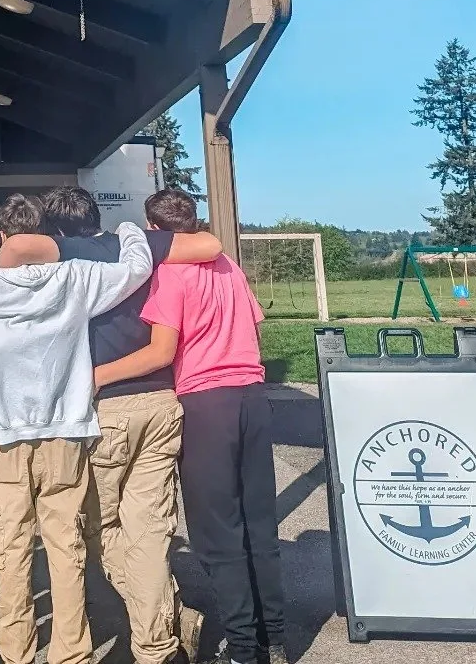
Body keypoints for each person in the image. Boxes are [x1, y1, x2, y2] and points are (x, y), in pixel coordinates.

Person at [0, 209, 152, 664]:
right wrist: (129, 230)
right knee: (67, 548)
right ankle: (72, 653)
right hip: (67, 431)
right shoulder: (74, 277)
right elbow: (136, 268)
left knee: (11, 547)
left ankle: (17, 652)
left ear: (1, 238)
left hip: (7, 435)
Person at [4, 186, 222, 664]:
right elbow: (210, 244)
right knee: (148, 533)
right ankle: (157, 643)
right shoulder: (132, 247)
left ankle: (168, 622)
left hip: (107, 409)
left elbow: (16, 249)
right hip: (162, 403)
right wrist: (135, 233)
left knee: (99, 529)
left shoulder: (71, 254)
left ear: (56, 229)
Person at [141, 188, 286, 664]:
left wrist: (96, 375)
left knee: (217, 532)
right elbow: (253, 325)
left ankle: (243, 648)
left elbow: (162, 352)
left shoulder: (170, 274)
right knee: (258, 523)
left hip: (206, 404)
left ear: (158, 232)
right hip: (252, 394)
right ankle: (275, 635)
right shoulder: (229, 267)